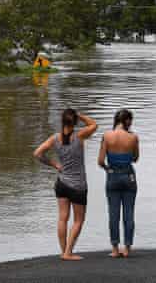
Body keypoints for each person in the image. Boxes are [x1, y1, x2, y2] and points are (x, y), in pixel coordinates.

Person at [33, 108, 98, 261]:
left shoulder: (55, 138)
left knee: (62, 218)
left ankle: (64, 252)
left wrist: (54, 164)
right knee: (78, 220)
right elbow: (94, 124)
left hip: (62, 183)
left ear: (62, 121)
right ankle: (68, 252)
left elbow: (37, 153)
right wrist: (80, 115)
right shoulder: (80, 136)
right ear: (74, 122)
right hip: (78, 186)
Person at [97, 108, 139, 258]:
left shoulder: (107, 136)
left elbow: (100, 161)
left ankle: (115, 249)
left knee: (113, 214)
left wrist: (108, 169)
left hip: (113, 176)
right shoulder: (133, 137)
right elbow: (135, 158)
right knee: (129, 213)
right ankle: (127, 249)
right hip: (129, 176)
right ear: (127, 121)